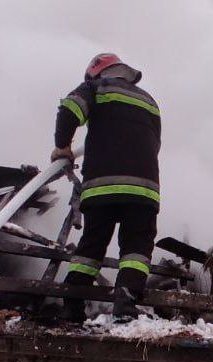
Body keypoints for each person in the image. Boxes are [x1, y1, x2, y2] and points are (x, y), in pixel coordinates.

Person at [51, 52, 162, 321]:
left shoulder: (95, 88)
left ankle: (72, 307)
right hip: (144, 189)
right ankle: (126, 305)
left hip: (102, 186)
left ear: (95, 71)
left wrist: (62, 147)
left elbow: (69, 109)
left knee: (92, 245)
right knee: (136, 248)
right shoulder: (149, 100)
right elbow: (155, 143)